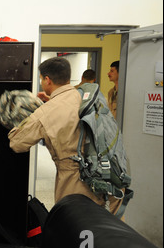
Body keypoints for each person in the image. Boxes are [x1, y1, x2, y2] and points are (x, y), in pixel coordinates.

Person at [8, 57, 122, 214]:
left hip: (76, 181)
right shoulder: (84, 97)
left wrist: (27, 116)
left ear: (47, 80)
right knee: (107, 229)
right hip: (108, 174)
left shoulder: (47, 111)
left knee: (74, 226)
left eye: (42, 79)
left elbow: (17, 143)